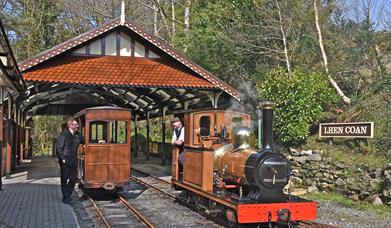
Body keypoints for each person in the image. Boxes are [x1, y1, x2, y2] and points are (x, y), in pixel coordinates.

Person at [56, 119, 82, 204]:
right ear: (70, 125)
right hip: (65, 161)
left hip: (73, 160)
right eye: (76, 124)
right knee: (64, 179)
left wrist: (98, 142)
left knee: (73, 178)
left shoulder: (78, 135)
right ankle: (65, 198)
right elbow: (59, 148)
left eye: (77, 124)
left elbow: (86, 141)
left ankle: (68, 194)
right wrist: (62, 158)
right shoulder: (64, 135)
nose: (77, 126)